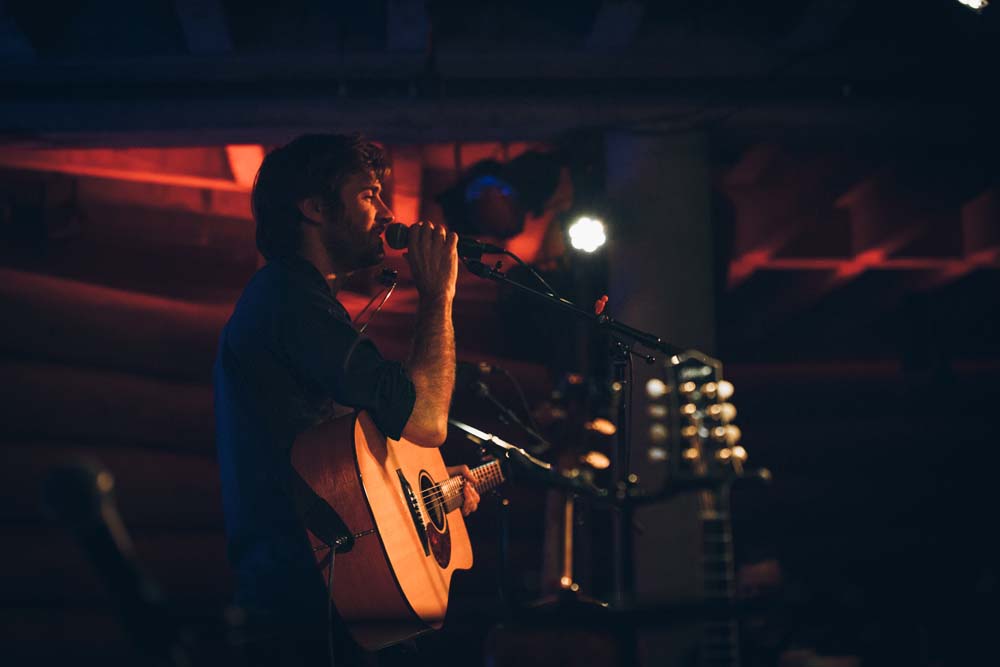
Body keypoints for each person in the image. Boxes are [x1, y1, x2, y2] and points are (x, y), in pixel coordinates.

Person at [213, 134, 480, 665]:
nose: (386, 214)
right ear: (313, 208)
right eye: (368, 196)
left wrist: (424, 496)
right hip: (305, 601)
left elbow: (340, 456)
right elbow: (426, 419)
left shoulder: (300, 301)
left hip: (327, 587)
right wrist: (439, 295)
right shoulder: (288, 299)